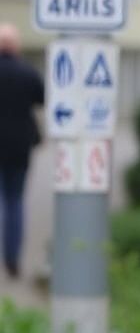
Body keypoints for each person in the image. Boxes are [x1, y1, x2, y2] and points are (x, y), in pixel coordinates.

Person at [0, 23, 44, 279]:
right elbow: (43, 99)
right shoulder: (28, 73)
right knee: (14, 201)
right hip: (19, 147)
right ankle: (12, 259)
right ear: (16, 47)